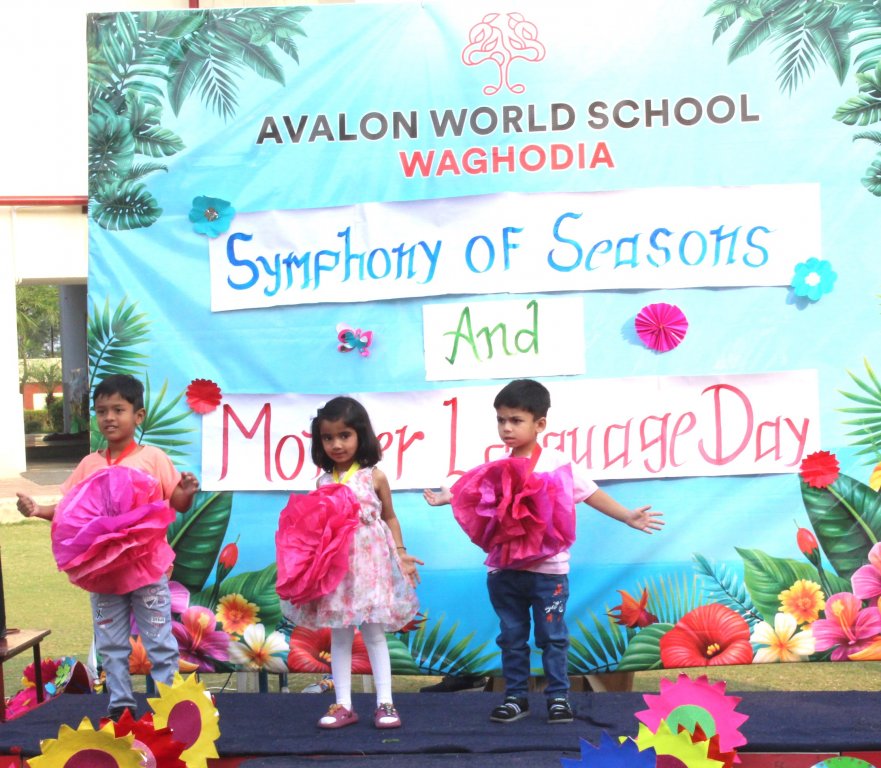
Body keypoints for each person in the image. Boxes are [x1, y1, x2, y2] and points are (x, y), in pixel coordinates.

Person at [423, 379, 663, 725]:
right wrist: (449, 497)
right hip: (504, 572)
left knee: (552, 637)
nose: (506, 428)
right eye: (501, 420)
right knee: (512, 637)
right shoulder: (497, 465)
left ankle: (558, 698)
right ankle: (515, 698)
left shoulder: (556, 463)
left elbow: (590, 493)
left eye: (516, 420)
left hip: (548, 574)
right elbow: (474, 492)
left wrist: (627, 516)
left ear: (540, 424)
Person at [17, 374, 199, 721]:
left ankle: (169, 705)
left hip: (147, 569)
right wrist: (38, 509)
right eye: (102, 411)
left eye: (118, 409)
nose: (110, 418)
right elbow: (69, 511)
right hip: (103, 573)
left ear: (139, 416)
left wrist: (187, 491)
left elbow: (177, 502)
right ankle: (120, 705)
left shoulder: (153, 458)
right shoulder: (90, 464)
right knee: (110, 643)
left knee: (159, 641)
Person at [276, 396, 422, 730]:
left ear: (361, 435)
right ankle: (343, 704)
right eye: (328, 438)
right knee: (339, 636)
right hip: (336, 574)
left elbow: (389, 517)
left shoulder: (374, 477)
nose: (337, 444)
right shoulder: (323, 483)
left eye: (345, 435)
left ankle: (385, 703)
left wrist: (401, 552)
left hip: (370, 570)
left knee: (374, 634)